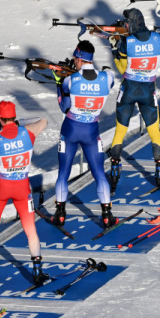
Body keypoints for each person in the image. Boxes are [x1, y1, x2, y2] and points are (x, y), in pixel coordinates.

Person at [0, 102, 48, 284]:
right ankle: (37, 269)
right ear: (14, 116)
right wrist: (20, 123)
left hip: (1, 186)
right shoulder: (28, 132)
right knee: (30, 229)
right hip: (22, 187)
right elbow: (43, 120)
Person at [54, 40, 116, 227]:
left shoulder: (71, 80)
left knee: (63, 173)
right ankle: (107, 214)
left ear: (78, 58)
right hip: (91, 131)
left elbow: (64, 106)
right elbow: (106, 79)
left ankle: (60, 214)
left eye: (75, 58)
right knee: (99, 173)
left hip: (71, 129)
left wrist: (58, 83)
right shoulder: (107, 78)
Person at [108, 8, 160, 189]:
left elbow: (122, 69)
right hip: (148, 90)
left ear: (130, 23)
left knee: (120, 130)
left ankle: (115, 170)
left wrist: (114, 49)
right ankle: (159, 171)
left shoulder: (127, 43)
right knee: (154, 130)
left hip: (129, 89)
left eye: (126, 23)